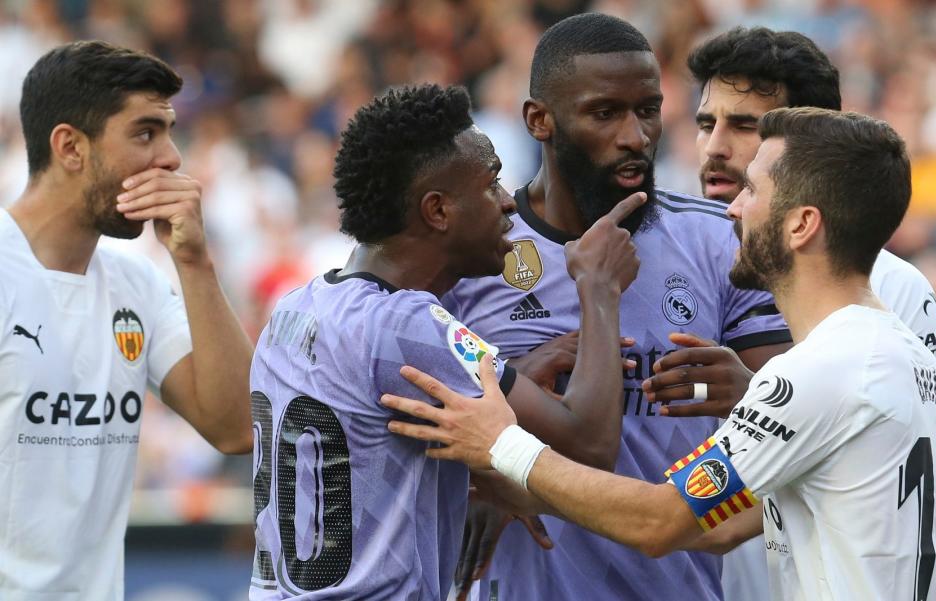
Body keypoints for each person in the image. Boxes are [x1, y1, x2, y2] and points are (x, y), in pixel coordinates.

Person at [385, 106, 936, 601]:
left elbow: (662, 519)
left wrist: (500, 446)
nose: (732, 209)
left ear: (802, 225)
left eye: (754, 191)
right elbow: (713, 526)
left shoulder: (824, 369)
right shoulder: (901, 352)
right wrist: (520, 493)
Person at [440, 13, 791, 601]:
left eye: (648, 110)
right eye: (605, 113)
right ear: (539, 120)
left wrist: (753, 391)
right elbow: (396, 417)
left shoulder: (719, 239)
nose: (635, 136)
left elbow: (795, 441)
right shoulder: (472, 256)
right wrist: (476, 482)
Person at [248, 83, 643, 599]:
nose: (508, 203)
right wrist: (599, 288)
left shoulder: (296, 306)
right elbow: (589, 446)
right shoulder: (408, 323)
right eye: (491, 183)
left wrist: (513, 372)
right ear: (437, 211)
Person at [662, 26, 936, 600]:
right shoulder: (653, 260)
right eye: (706, 123)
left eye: (745, 125)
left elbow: (933, 471)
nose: (714, 148)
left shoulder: (891, 288)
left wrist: (761, 399)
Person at [0, 41, 253, 600]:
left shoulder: (135, 283)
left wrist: (194, 262)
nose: (171, 158)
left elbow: (236, 426)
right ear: (70, 147)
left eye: (168, 131)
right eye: (145, 133)